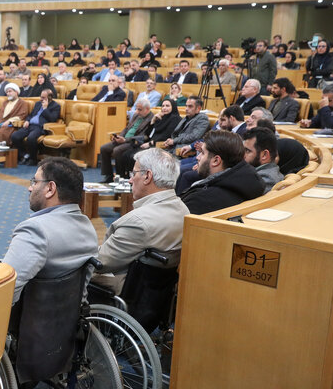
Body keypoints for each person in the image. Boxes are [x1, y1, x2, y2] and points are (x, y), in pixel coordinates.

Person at [2, 157, 97, 303]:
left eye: (35, 182)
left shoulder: (35, 230)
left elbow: (6, 290)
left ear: (50, 189)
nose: (30, 188)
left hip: (31, 315)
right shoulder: (87, 226)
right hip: (72, 313)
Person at [95, 148, 189, 292]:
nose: (130, 180)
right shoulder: (183, 210)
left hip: (128, 289)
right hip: (157, 292)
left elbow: (100, 262)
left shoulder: (138, 222)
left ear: (147, 176)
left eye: (134, 173)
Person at [179, 130, 264, 214]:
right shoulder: (247, 184)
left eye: (203, 153)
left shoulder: (199, 200)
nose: (198, 157)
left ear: (216, 160)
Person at [99, 99, 154, 183]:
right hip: (124, 139)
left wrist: (125, 140)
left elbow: (143, 136)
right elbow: (127, 128)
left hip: (133, 142)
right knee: (104, 148)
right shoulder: (136, 115)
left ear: (147, 109)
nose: (137, 111)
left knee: (117, 150)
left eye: (139, 109)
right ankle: (108, 176)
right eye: (136, 109)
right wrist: (119, 136)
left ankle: (120, 176)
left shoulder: (151, 119)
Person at [11, 89, 61, 165]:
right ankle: (24, 155)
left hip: (40, 127)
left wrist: (45, 109)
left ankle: (33, 159)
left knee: (31, 138)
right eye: (41, 97)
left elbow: (52, 119)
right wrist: (27, 121)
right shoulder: (38, 104)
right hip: (30, 125)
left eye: (43, 97)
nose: (41, 99)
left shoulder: (56, 106)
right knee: (15, 136)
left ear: (49, 97)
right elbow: (31, 115)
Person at [243, 127, 283, 192]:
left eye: (247, 151)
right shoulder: (259, 173)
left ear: (264, 155)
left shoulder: (266, 180)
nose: (243, 155)